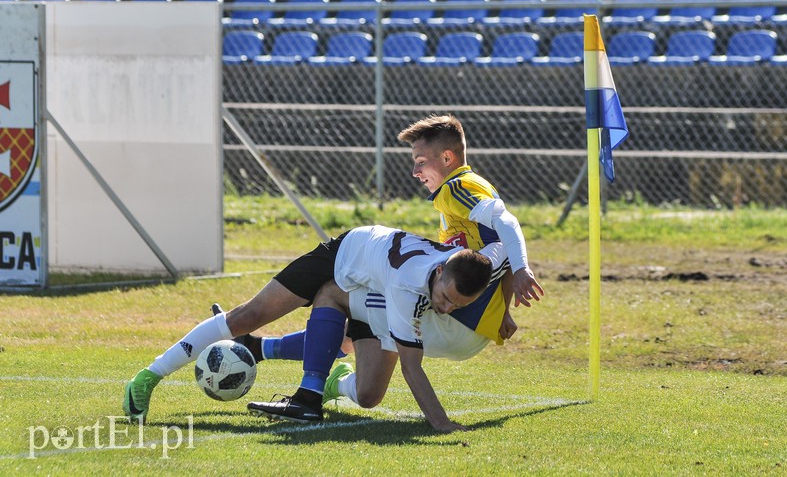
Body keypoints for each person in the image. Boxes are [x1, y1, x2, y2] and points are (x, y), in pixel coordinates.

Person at [124, 225, 500, 431]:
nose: (446, 308)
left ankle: (288, 362)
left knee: (369, 396)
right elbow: (412, 366)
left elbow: (502, 248)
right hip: (344, 259)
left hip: (376, 287)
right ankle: (148, 377)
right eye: (446, 297)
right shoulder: (407, 285)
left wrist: (505, 307)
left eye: (457, 306)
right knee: (248, 315)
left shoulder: (454, 271)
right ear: (438, 272)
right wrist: (442, 424)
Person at [318, 114, 545, 409]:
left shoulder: (457, 188)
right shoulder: (463, 191)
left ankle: (264, 350)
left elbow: (506, 225)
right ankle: (334, 378)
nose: (414, 171)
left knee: (339, 294)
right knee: (366, 387)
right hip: (470, 326)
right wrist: (501, 309)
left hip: (459, 318)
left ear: (448, 157)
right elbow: (492, 252)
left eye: (421, 161)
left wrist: (522, 268)